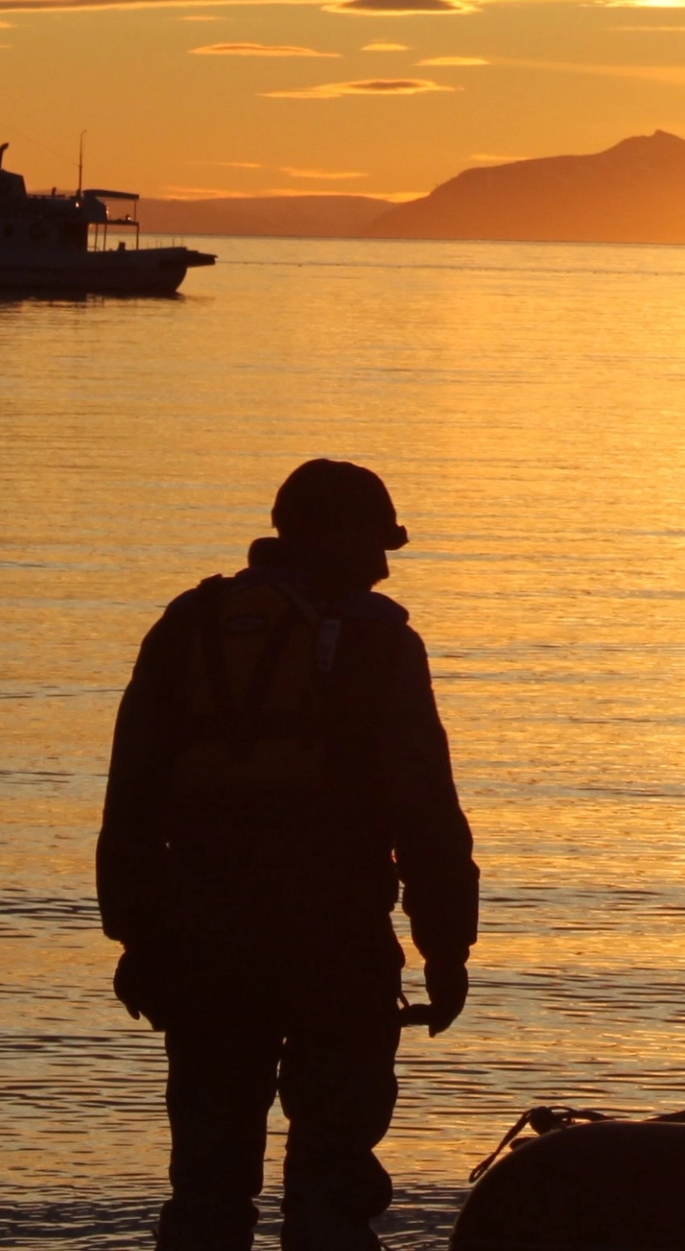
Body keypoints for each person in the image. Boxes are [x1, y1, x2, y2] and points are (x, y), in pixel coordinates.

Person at [100, 460, 480, 1251]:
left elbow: (129, 800)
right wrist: (445, 949)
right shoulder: (382, 644)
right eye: (376, 543)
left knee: (206, 1187)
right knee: (331, 1188)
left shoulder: (187, 626)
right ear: (328, 535)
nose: (383, 564)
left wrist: (138, 939)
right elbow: (426, 810)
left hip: (203, 939)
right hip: (334, 940)